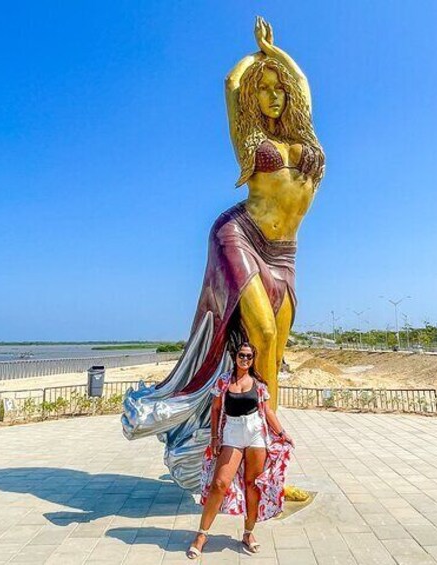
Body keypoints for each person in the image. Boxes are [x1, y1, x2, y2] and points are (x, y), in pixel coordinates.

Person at [121, 15, 324, 496]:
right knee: (264, 332)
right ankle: (244, 456)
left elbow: (304, 86)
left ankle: (269, 472)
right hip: (240, 234)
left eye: (279, 89)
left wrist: (278, 55)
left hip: (284, 254)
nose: (273, 96)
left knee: (271, 356)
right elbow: (231, 84)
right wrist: (256, 56)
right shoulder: (253, 142)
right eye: (265, 90)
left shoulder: (307, 138)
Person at [186, 342, 295, 559]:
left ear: (253, 360)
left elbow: (268, 412)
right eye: (241, 355)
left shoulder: (259, 384)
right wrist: (215, 437)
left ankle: (248, 532)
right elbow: (216, 409)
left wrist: (282, 433)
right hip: (232, 433)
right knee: (220, 484)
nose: (244, 359)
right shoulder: (224, 381)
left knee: (252, 485)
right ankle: (202, 534)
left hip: (255, 432)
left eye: (248, 356)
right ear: (235, 357)